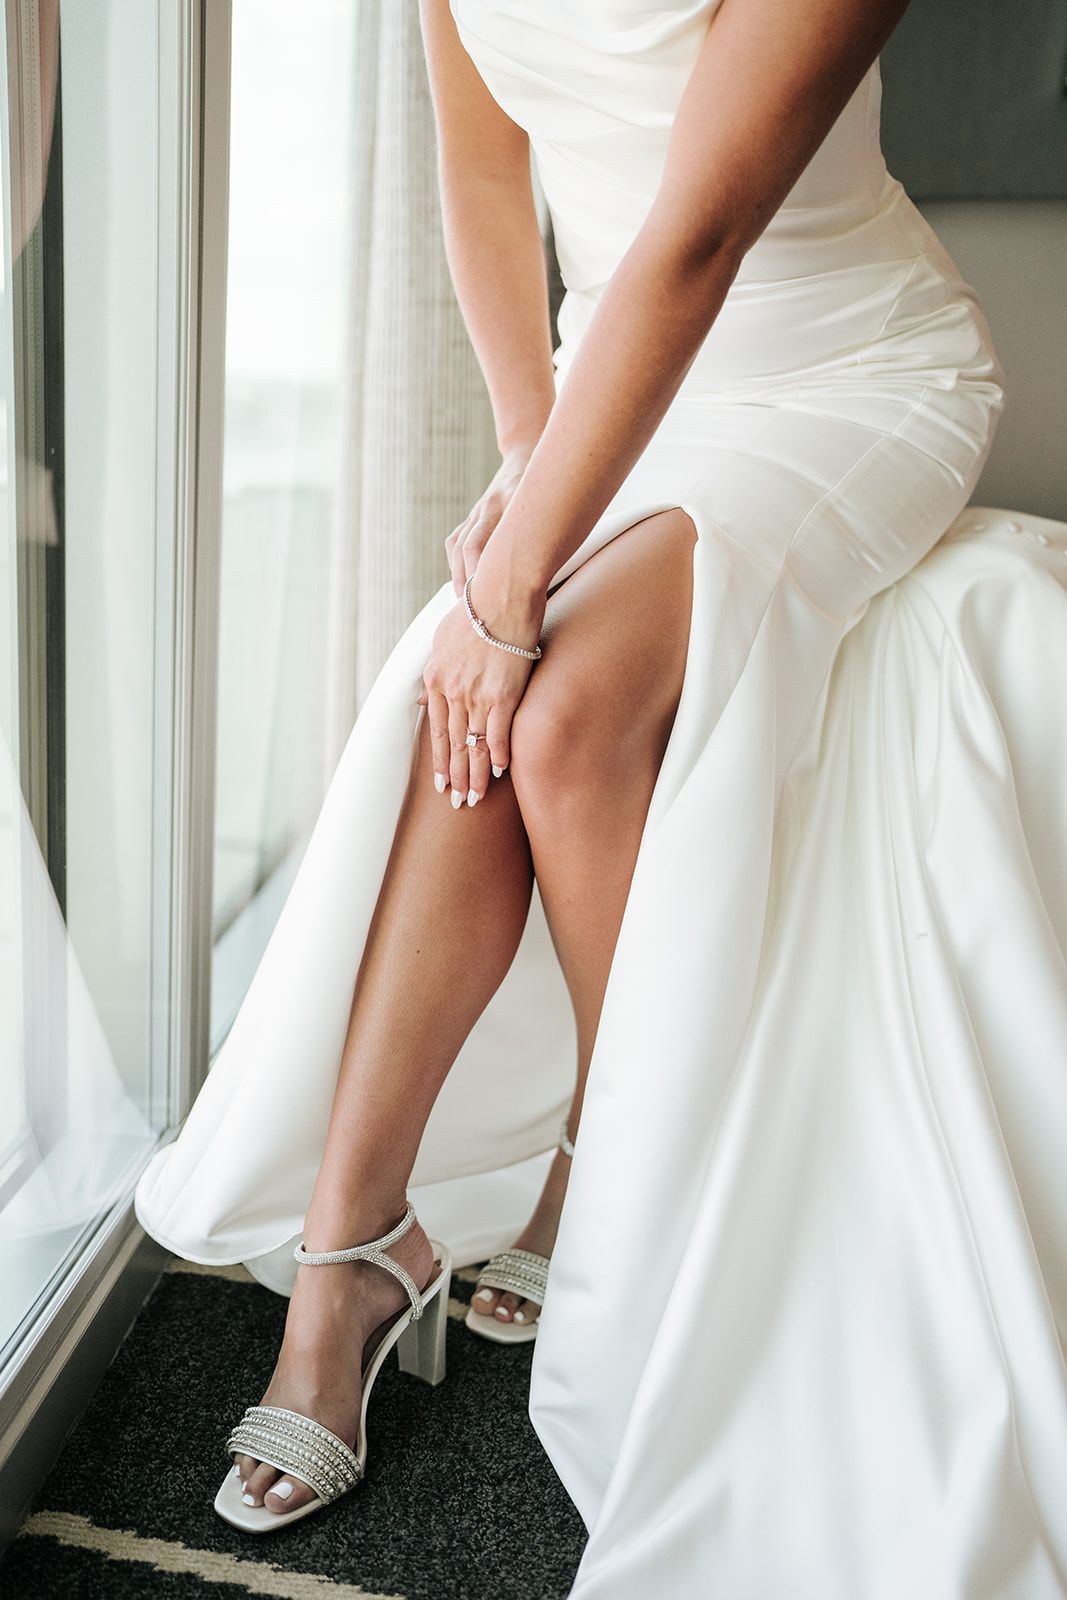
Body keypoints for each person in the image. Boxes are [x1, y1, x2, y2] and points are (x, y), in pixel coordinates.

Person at [137, 0, 1067, 1589]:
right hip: (611, 390)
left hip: (846, 371)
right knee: (478, 692)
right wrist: (527, 458)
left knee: (548, 709)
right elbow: (487, 166)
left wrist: (514, 590)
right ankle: (345, 1263)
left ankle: (597, 1173)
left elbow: (697, 237)